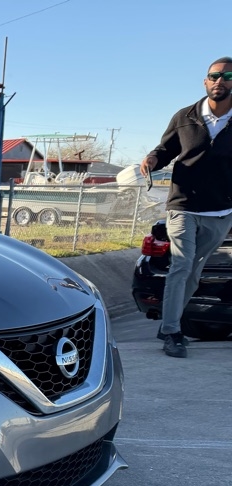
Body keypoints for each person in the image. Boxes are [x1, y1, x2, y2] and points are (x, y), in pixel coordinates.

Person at [141, 56, 232, 358]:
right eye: (214, 76)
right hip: (183, 205)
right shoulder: (185, 116)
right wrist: (153, 159)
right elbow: (165, 149)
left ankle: (169, 321)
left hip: (220, 212)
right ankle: (172, 331)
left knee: (193, 273)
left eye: (227, 76)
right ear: (206, 81)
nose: (220, 81)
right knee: (180, 266)